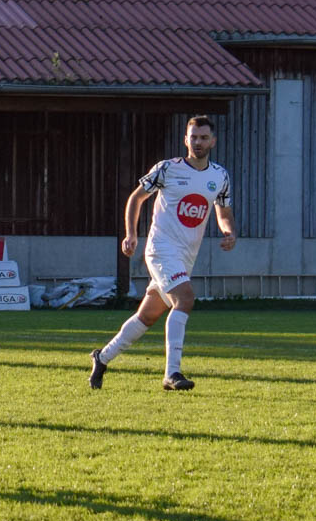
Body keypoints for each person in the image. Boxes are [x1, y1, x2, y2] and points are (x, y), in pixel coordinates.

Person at [89, 115, 235, 391]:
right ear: (185, 140)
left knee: (147, 316)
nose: (198, 142)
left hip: (186, 256)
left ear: (213, 142)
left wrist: (229, 232)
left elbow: (223, 211)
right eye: (193, 137)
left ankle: (102, 358)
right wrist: (131, 234)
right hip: (160, 249)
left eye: (204, 138)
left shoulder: (220, 176)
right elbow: (136, 198)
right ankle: (172, 373)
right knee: (185, 298)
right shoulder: (167, 168)